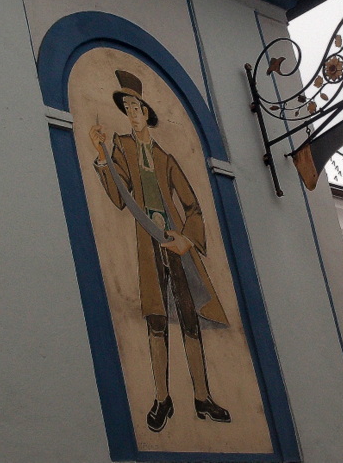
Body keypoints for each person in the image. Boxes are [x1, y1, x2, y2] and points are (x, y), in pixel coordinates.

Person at [89, 70, 230, 432]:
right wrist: (101, 155)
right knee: (155, 320)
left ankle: (202, 398)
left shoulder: (166, 158)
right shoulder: (120, 147)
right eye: (129, 107)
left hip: (176, 247)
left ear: (148, 113)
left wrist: (186, 238)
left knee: (189, 319)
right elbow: (119, 198)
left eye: (138, 106)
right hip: (146, 244)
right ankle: (162, 400)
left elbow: (193, 206)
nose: (133, 112)